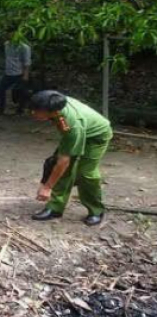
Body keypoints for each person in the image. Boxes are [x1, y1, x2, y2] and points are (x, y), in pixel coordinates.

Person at [29, 90, 112, 226]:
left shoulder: (72, 124)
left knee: (86, 173)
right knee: (61, 170)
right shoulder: (55, 101)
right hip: (78, 131)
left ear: (54, 112)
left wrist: (47, 187)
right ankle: (55, 208)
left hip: (96, 136)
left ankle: (96, 211)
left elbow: (63, 161)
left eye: (37, 111)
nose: (33, 113)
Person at [0, 33, 32, 115]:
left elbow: (27, 62)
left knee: (20, 92)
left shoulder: (24, 47)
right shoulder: (7, 44)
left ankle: (20, 110)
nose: (8, 36)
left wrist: (25, 75)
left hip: (19, 73)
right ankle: (0, 109)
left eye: (11, 34)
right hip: (8, 73)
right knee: (0, 91)